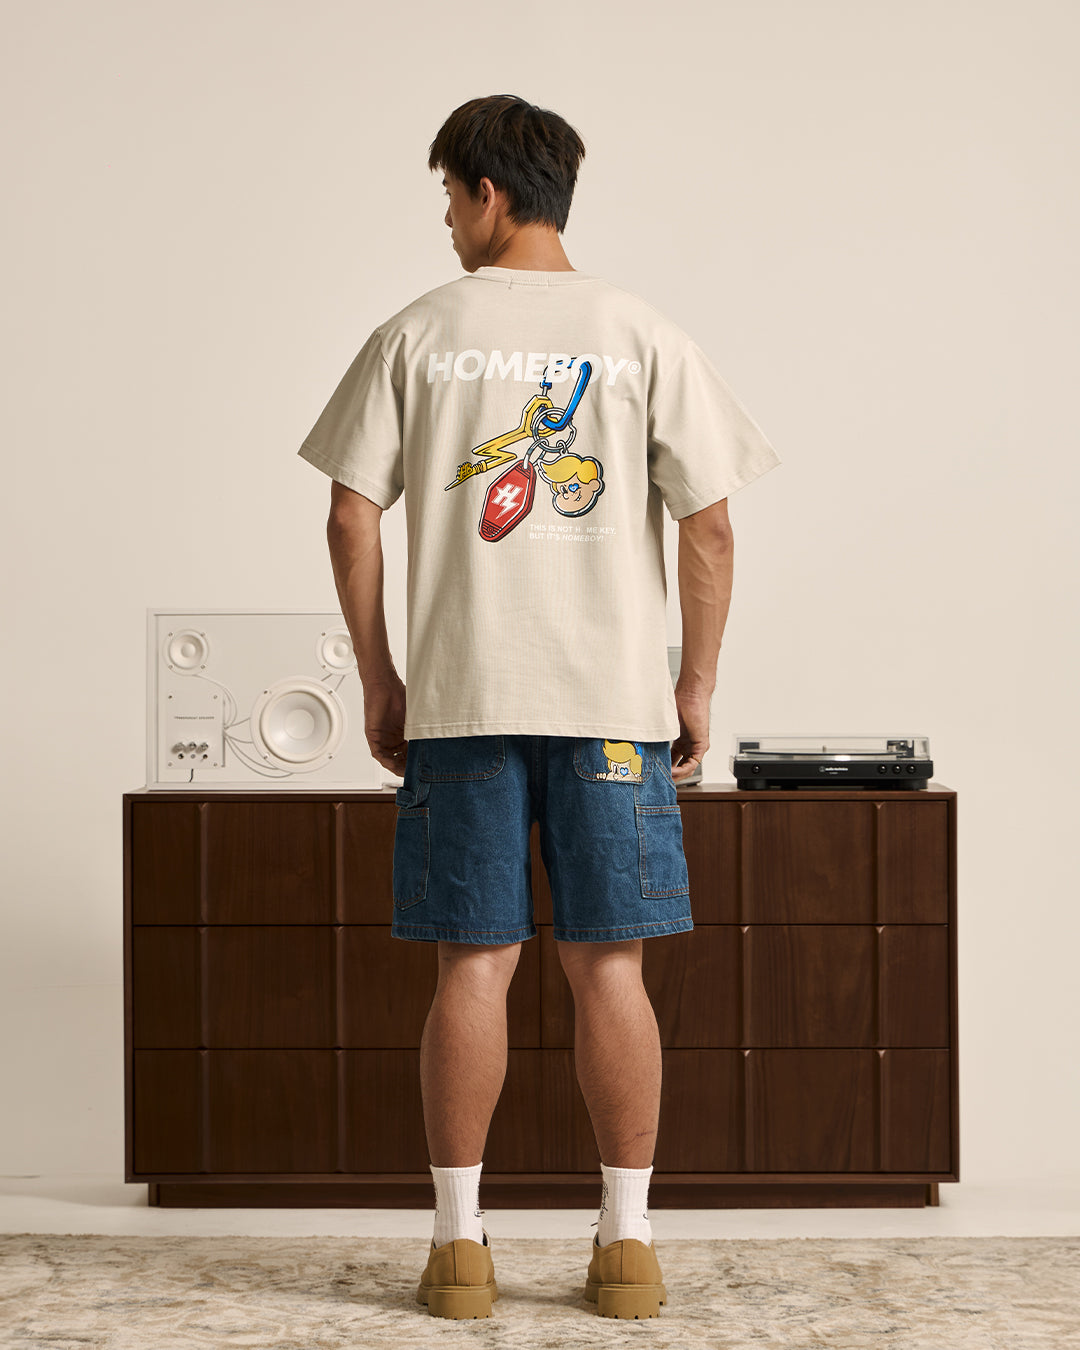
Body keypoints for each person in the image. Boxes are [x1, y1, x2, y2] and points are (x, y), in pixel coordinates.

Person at [297, 94, 781, 1320]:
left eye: (447, 197)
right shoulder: (640, 331)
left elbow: (352, 515)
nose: (445, 222)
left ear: (488, 192)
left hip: (463, 701)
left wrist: (380, 677)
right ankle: (627, 1249)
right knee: (610, 967)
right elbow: (712, 527)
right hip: (611, 706)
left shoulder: (418, 331)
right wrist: (693, 684)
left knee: (474, 968)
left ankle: (460, 1252)